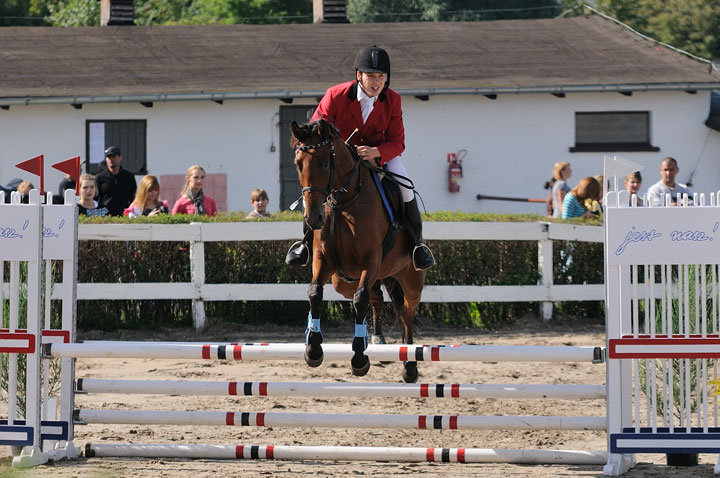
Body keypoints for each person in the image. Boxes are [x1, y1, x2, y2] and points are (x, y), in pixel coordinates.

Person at [285, 45, 435, 271]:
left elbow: (397, 141)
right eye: (371, 76)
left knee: (406, 187)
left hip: (377, 156)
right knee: (313, 191)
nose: (376, 82)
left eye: (381, 77)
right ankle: (305, 244)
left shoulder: (393, 100)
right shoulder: (335, 95)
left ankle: (417, 246)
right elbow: (316, 128)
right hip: (340, 159)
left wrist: (377, 152)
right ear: (359, 76)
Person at [95, 146, 137, 216]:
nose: (111, 159)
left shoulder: (129, 177)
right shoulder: (99, 178)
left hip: (125, 216)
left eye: (113, 156)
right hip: (105, 217)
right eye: (108, 157)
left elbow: (134, 197)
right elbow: (95, 199)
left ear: (120, 158)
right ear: (106, 159)